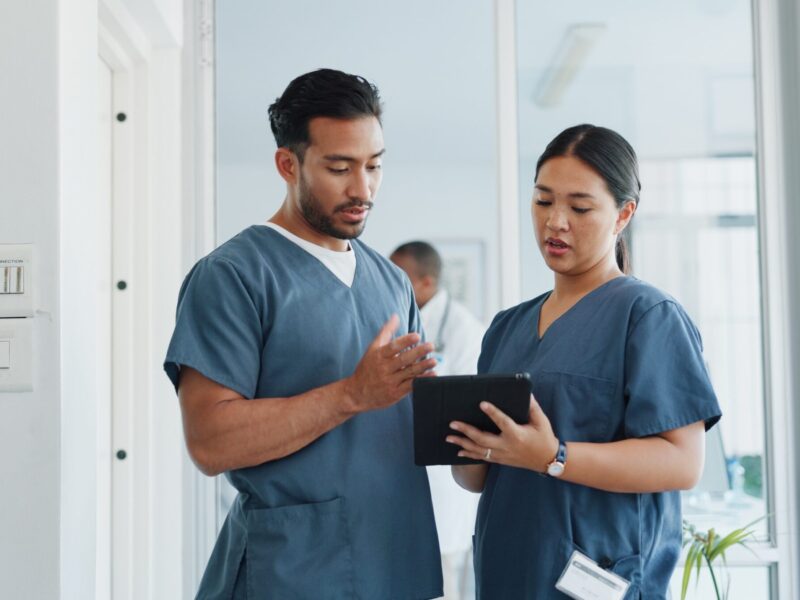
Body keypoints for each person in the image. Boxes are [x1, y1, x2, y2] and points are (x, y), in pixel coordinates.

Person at [164, 69, 443, 600]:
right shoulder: (233, 276)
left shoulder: (391, 282)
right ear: (287, 164)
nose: (362, 188)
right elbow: (209, 441)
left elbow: (406, 421)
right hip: (294, 573)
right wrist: (349, 395)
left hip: (396, 562)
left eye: (374, 166)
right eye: (339, 168)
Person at [448, 124, 722, 599]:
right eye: (542, 201)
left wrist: (554, 457)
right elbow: (476, 477)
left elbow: (683, 462)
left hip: (597, 578)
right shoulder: (506, 327)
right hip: (507, 571)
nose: (555, 221)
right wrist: (460, 439)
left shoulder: (649, 316)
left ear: (623, 214)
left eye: (579, 207)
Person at [391, 241, 484, 600]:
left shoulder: (463, 330)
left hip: (444, 484)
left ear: (427, 283)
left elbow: (462, 407)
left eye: (402, 278)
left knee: (441, 587)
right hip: (400, 474)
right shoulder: (397, 320)